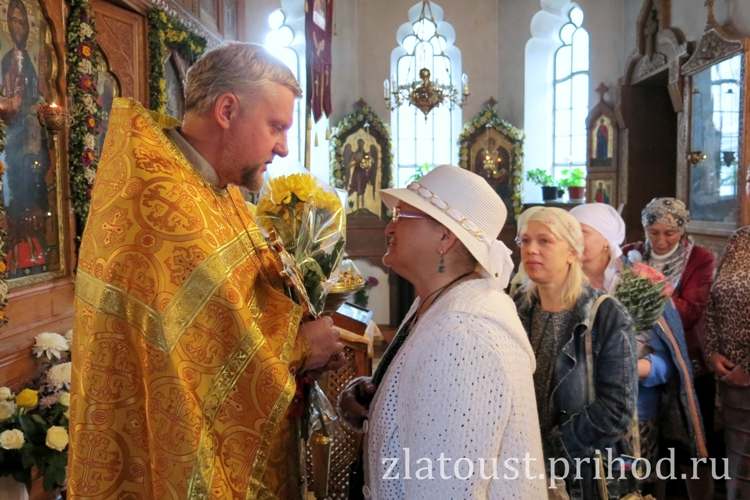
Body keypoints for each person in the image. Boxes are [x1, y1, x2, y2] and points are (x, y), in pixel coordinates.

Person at [68, 43, 345, 499]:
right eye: (276, 127)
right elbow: (191, 362)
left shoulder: (216, 186)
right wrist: (300, 347)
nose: (283, 147)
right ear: (227, 110)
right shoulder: (163, 203)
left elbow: (237, 309)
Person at [338, 165, 546, 499]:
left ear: (445, 238)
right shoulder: (439, 301)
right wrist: (374, 398)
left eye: (402, 215)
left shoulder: (464, 336)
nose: (389, 227)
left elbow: (447, 489)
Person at [570, 203, 707, 493]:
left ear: (606, 238)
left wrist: (634, 366)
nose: (573, 240)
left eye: (582, 232)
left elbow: (669, 362)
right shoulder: (559, 283)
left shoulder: (641, 283)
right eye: (567, 232)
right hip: (575, 414)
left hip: (635, 413)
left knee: (631, 489)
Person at [514, 206, 637, 500]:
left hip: (584, 470)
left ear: (572, 252)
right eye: (525, 240)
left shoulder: (604, 314)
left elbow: (617, 409)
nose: (531, 249)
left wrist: (554, 447)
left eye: (545, 241)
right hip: (521, 462)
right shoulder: (518, 305)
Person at [623, 198, 716, 500]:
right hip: (644, 360)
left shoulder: (699, 258)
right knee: (652, 444)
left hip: (687, 360)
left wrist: (649, 287)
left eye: (670, 233)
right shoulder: (630, 254)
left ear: (682, 230)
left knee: (690, 445)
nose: (661, 241)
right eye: (653, 232)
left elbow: (689, 312)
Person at [704, 169, 750, 500]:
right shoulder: (740, 240)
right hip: (730, 379)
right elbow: (714, 300)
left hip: (745, 375)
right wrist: (712, 351)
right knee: (738, 470)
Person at [0, 0, 52, 277]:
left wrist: (37, 106)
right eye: (14, 21)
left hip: (31, 138)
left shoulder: (30, 62)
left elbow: (38, 96)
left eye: (22, 22)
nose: (18, 27)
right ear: (8, 25)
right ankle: (17, 248)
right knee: (14, 189)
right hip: (11, 140)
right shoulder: (6, 60)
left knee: (34, 185)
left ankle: (34, 245)